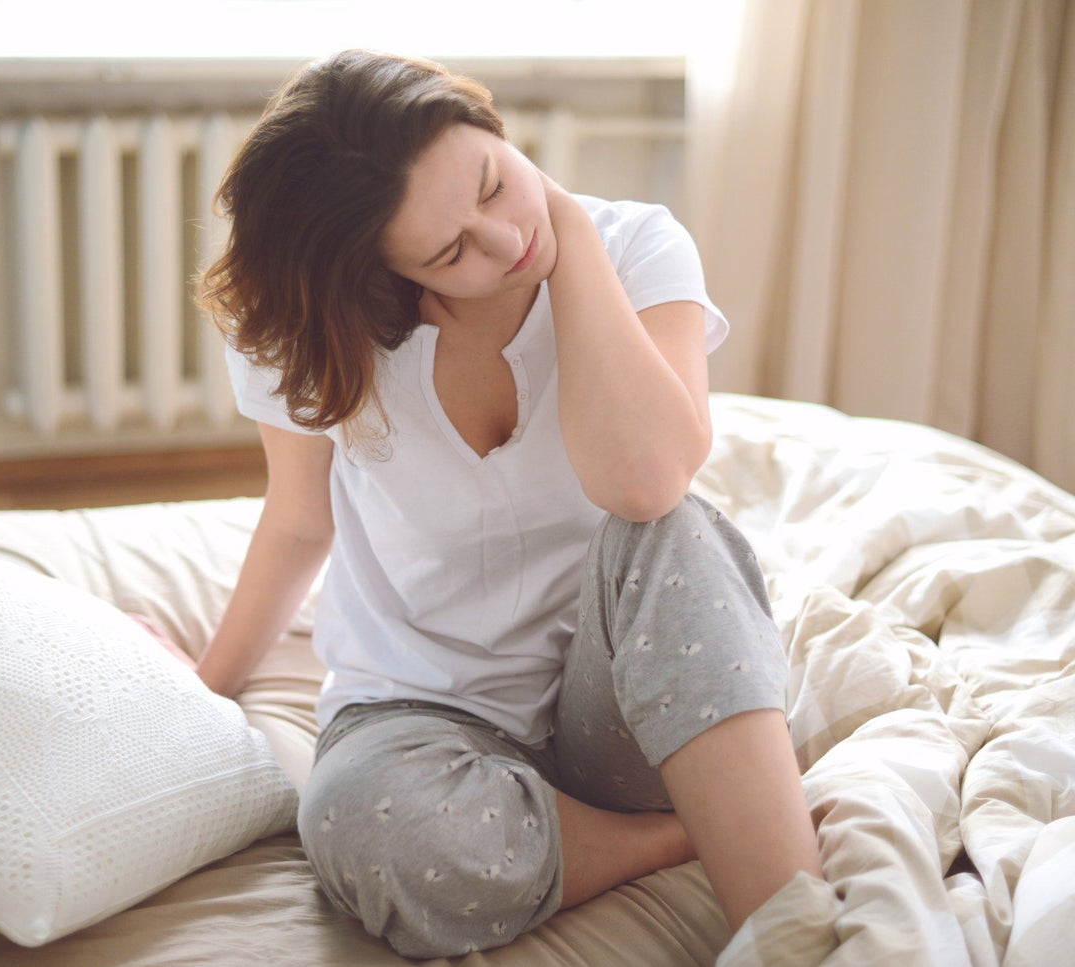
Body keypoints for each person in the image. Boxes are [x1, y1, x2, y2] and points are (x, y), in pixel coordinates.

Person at [185, 48, 825, 958]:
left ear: (493, 130)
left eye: (494, 183)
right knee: (356, 825)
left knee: (675, 527)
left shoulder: (637, 245)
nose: (506, 238)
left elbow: (646, 479)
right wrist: (205, 685)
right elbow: (298, 519)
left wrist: (569, 237)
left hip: (620, 698)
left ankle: (797, 929)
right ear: (385, 275)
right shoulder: (314, 338)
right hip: (417, 712)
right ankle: (693, 829)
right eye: (451, 251)